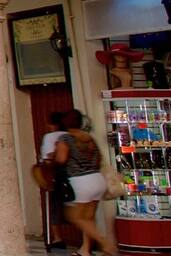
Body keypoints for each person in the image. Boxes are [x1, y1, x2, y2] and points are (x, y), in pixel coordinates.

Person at [52, 110, 118, 256]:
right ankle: (85, 250)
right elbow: (99, 158)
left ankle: (105, 243)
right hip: (97, 179)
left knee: (74, 216)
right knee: (89, 218)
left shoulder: (66, 138)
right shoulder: (89, 138)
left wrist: (55, 155)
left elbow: (61, 159)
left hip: (81, 181)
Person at [38, 111, 74, 248]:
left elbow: (48, 157)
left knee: (54, 206)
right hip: (74, 175)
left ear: (52, 124)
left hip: (56, 175)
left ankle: (58, 238)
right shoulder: (71, 135)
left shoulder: (50, 137)